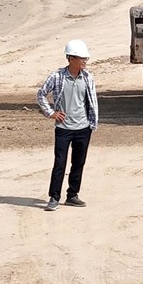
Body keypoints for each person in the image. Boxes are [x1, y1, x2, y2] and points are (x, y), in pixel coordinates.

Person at [39, 39, 100, 211]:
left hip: (83, 128)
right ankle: (54, 197)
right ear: (71, 58)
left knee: (78, 163)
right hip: (63, 129)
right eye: (82, 59)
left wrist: (91, 123)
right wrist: (51, 113)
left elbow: (92, 101)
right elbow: (41, 94)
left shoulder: (88, 77)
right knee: (60, 163)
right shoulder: (57, 77)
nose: (85, 62)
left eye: (85, 59)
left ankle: (72, 194)